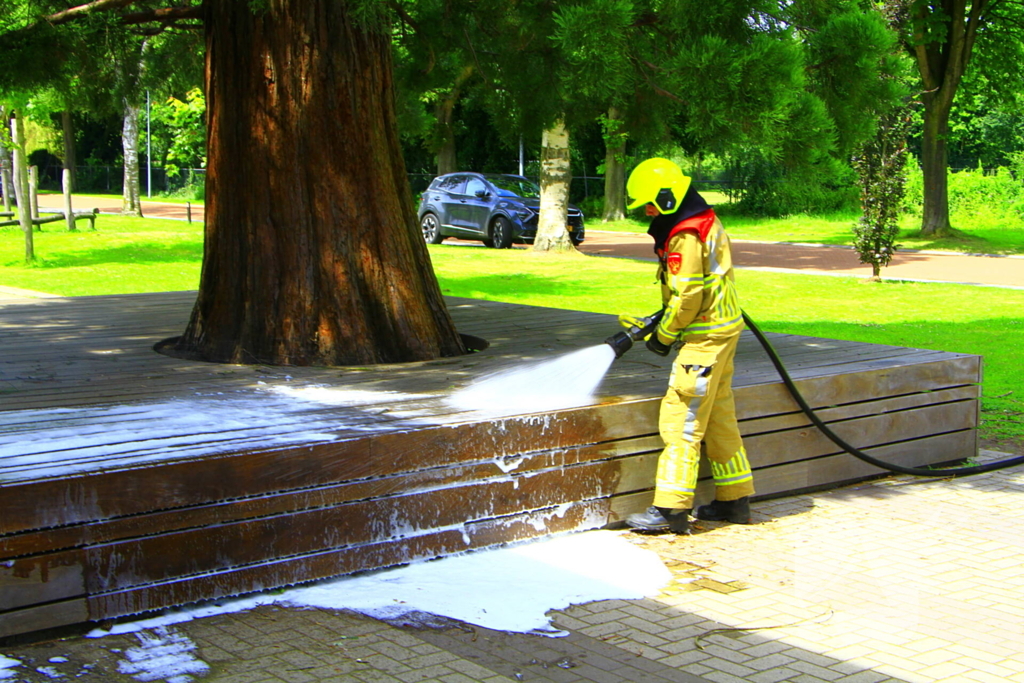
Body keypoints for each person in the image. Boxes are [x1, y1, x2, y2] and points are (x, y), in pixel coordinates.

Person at [621, 158, 754, 535]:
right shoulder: (703, 218)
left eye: (649, 204)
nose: (647, 212)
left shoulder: (684, 233)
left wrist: (663, 336)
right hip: (723, 330)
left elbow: (688, 294)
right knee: (718, 417)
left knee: (681, 419)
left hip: (704, 338)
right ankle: (735, 499)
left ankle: (670, 509)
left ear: (667, 197)